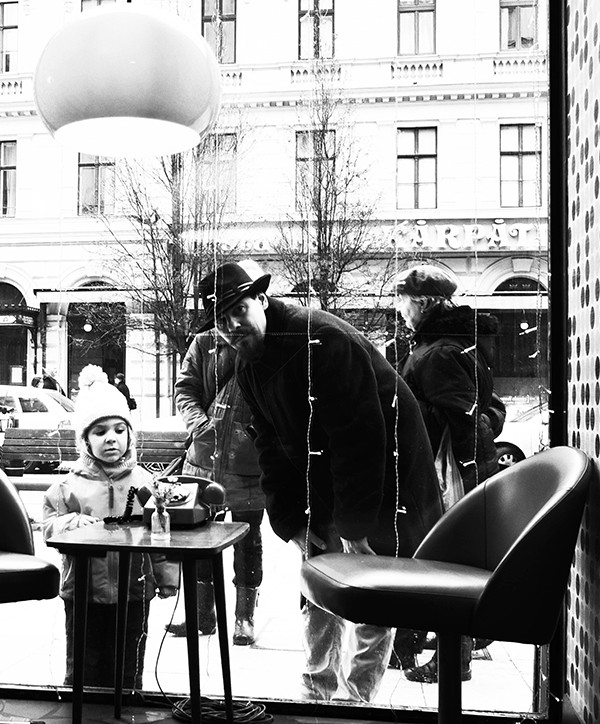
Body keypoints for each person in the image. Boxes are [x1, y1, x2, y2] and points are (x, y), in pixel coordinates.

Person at [196, 261, 443, 702]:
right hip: (333, 479)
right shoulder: (249, 367)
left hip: (387, 477)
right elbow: (270, 446)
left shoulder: (320, 339)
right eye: (220, 319)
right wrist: (292, 521)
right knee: (319, 574)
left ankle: (355, 700)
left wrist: (355, 525)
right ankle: (317, 691)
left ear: (262, 300)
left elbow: (359, 437)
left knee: (372, 585)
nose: (232, 325)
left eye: (239, 310)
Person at [393, 264, 504, 683]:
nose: (399, 309)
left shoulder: (439, 353)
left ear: (422, 303)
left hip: (447, 476)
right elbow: (488, 409)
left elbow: (461, 419)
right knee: (442, 560)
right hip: (458, 471)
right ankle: (423, 644)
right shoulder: (456, 345)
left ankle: (454, 661)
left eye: (403, 300)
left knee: (443, 564)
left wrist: (403, 408)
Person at [42, 364, 179, 690]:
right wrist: (72, 522)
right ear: (85, 440)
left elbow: (161, 534)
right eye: (100, 432)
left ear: (130, 434)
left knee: (128, 666)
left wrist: (167, 577)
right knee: (84, 666)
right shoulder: (68, 486)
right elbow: (48, 526)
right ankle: (83, 708)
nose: (111, 438)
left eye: (119, 429)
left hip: (134, 592)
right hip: (84, 592)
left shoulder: (146, 483)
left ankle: (127, 702)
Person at [170, 327, 265, 646]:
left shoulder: (262, 342)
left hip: (248, 464)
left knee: (248, 542)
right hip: (203, 461)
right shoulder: (204, 342)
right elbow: (185, 390)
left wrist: (254, 436)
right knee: (199, 539)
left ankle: (244, 618)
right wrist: (200, 426)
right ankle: (202, 615)